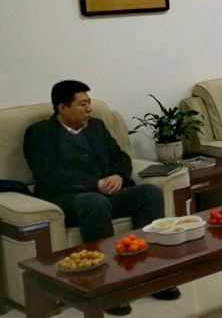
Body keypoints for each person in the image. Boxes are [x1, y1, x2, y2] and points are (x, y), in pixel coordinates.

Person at [23, 81, 180, 316]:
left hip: (106, 194)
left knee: (149, 193)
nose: (89, 109)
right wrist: (94, 184)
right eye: (82, 104)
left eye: (89, 103)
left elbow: (121, 158)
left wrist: (118, 175)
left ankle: (152, 275)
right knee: (94, 202)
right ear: (62, 108)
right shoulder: (40, 133)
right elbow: (49, 175)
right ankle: (107, 287)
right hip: (70, 200)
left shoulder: (96, 126)